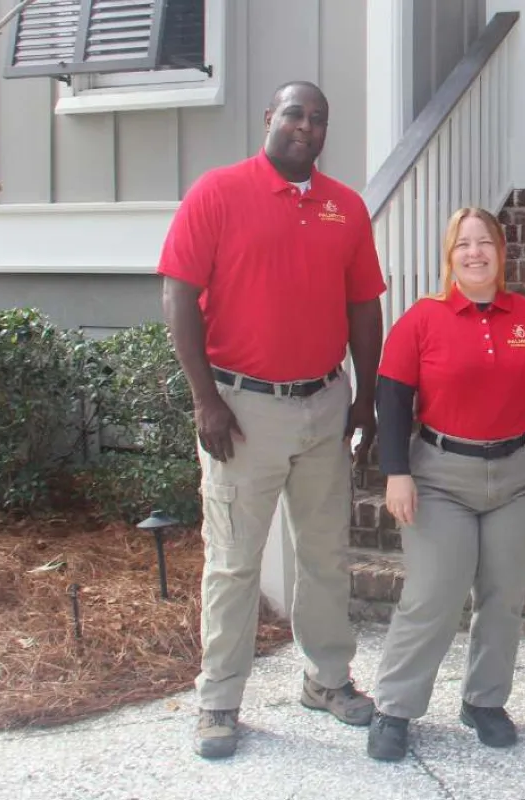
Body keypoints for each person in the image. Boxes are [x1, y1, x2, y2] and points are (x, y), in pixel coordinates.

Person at [158, 81, 385, 759]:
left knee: (324, 556)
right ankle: (220, 699)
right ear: (269, 117)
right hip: (241, 411)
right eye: (294, 114)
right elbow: (177, 295)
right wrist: (205, 399)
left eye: (318, 118)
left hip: (323, 406)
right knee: (233, 563)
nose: (306, 126)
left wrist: (364, 400)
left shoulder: (346, 208)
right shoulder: (218, 193)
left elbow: (365, 308)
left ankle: (327, 679)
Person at [367, 207, 525, 762]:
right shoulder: (422, 319)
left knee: (503, 595)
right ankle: (394, 708)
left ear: (501, 251)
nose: (475, 252)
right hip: (440, 477)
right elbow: (391, 399)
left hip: (520, 477)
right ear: (450, 255)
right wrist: (396, 472)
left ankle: (484, 702)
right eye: (463, 244)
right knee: (433, 594)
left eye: (484, 242)